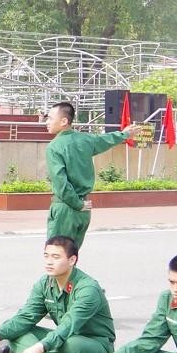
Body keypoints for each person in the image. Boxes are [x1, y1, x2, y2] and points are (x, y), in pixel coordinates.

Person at [0, 235, 115, 353]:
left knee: (69, 345)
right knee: (16, 330)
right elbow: (26, 316)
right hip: (64, 336)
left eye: (56, 257)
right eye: (46, 256)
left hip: (94, 344)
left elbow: (68, 325)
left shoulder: (88, 289)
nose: (49, 262)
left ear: (72, 260)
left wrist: (39, 347)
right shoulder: (45, 283)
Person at [44, 101, 140, 249]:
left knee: (56, 255)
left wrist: (77, 204)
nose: (47, 122)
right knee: (71, 256)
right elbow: (106, 140)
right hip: (84, 210)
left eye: (50, 118)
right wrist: (125, 134)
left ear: (64, 121)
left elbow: (60, 183)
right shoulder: (86, 140)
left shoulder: (54, 147)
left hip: (66, 208)